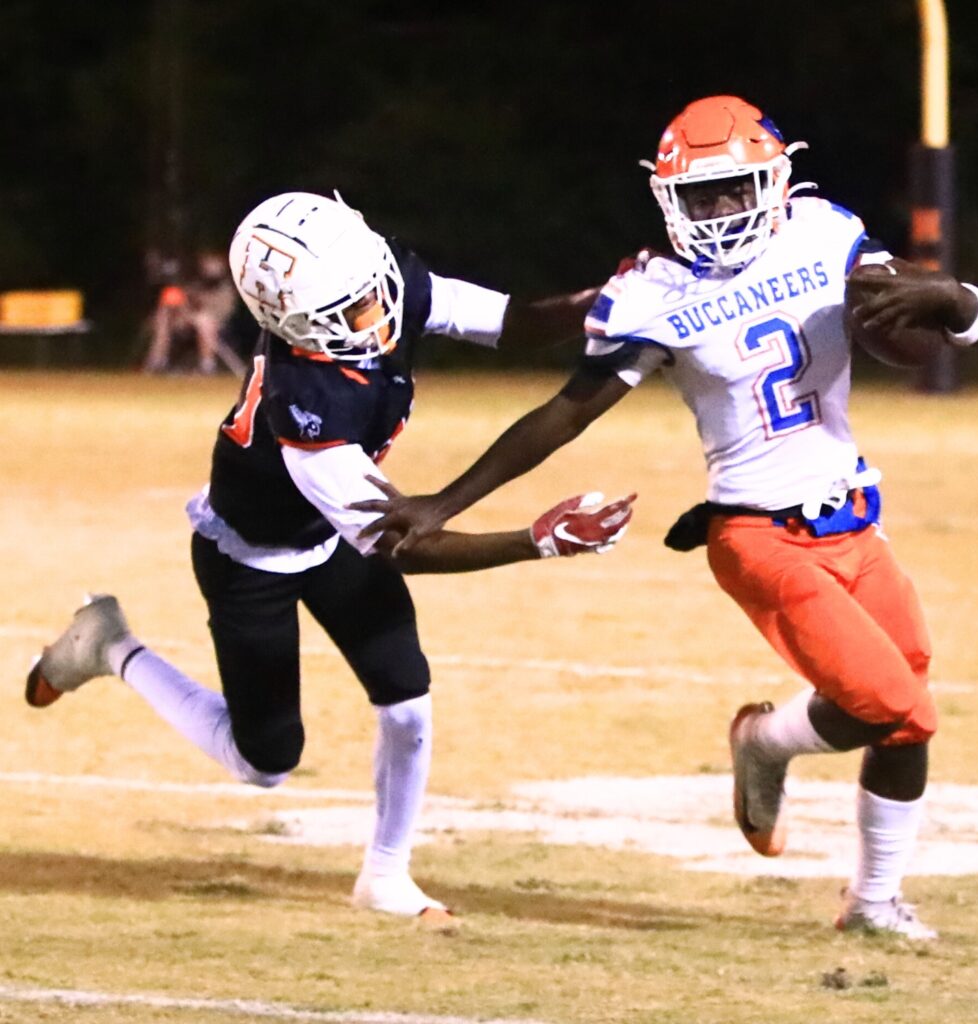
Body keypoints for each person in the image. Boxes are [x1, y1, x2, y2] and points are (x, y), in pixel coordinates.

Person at [350, 96, 978, 939]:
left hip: (854, 518)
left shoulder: (823, 231)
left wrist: (958, 303)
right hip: (757, 534)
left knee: (904, 712)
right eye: (702, 195)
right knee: (893, 704)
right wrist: (443, 501)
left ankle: (870, 898)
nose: (721, 210)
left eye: (734, 190)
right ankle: (769, 743)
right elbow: (566, 411)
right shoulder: (651, 290)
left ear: (773, 180)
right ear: (667, 197)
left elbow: (901, 337)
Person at [26, 190, 635, 923]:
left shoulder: (380, 283)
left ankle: (386, 875)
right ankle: (111, 646)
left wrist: (596, 304)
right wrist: (536, 540)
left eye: (373, 291)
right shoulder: (307, 397)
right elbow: (402, 545)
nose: (378, 314)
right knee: (265, 763)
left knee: (407, 700)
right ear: (292, 322)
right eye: (352, 312)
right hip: (254, 557)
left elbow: (509, 323)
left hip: (330, 534)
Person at [143, 249, 246, 375]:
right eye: (207, 262)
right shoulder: (195, 285)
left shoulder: (226, 290)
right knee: (163, 318)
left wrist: (193, 309)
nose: (210, 266)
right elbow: (184, 303)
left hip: (213, 324)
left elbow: (221, 313)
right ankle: (157, 362)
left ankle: (207, 365)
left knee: (204, 321)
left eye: (213, 263)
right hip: (186, 321)